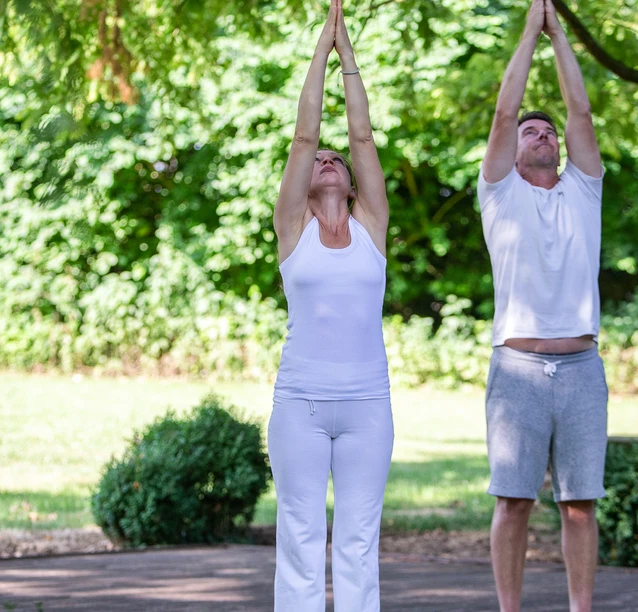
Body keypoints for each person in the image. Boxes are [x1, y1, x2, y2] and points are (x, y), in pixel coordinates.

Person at [478, 0, 607, 611]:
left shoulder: (584, 190)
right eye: (533, 130)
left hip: (582, 369)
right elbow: (505, 109)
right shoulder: (499, 193)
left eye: (548, 130)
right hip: (519, 370)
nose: (543, 133)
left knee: (579, 506)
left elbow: (579, 108)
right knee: (514, 501)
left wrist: (561, 40)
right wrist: (531, 28)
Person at [268, 0, 393, 609]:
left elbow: (361, 133)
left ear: (349, 180)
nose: (326, 158)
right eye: (319, 160)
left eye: (335, 160)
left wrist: (351, 62)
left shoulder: (372, 226)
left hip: (369, 403)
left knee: (358, 539)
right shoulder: (293, 227)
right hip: (301, 403)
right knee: (298, 533)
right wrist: (322, 48)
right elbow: (303, 133)